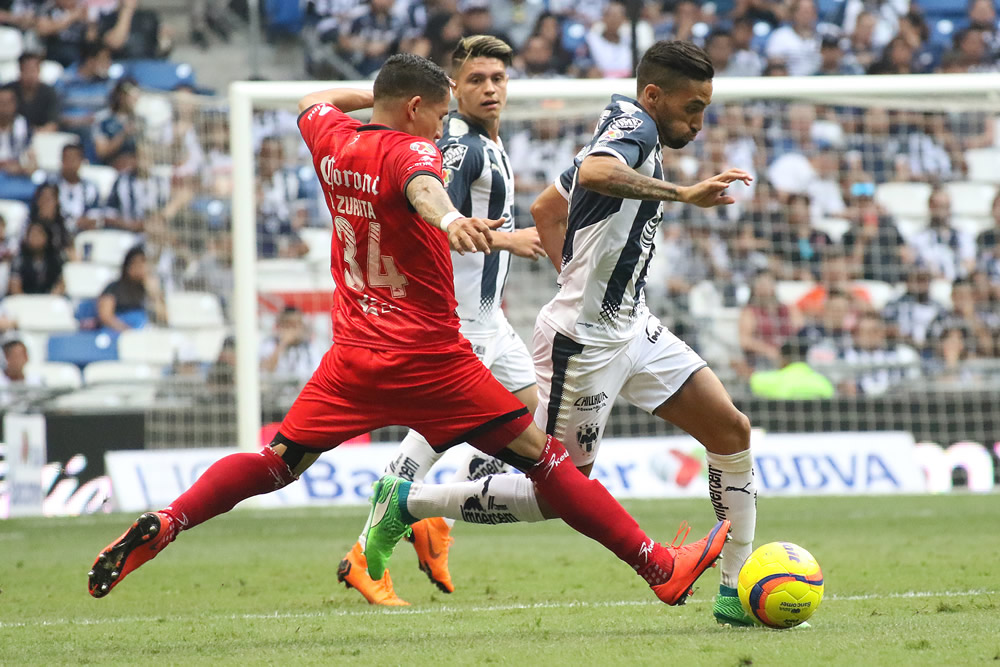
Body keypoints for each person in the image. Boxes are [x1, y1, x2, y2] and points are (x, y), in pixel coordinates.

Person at [87, 53, 730, 607]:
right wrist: (450, 218)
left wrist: (378, 96)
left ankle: (172, 519)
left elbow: (313, 99)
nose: (445, 122)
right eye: (440, 110)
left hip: (352, 358)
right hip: (429, 360)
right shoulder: (416, 150)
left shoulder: (330, 137)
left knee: (276, 463)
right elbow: (425, 188)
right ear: (418, 109)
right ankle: (659, 567)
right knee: (549, 460)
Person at [389, 41, 757, 628]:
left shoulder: (622, 125)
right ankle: (408, 502)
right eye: (693, 106)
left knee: (731, 428)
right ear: (654, 95)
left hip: (632, 325)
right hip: (583, 344)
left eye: (706, 108)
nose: (698, 120)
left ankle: (735, 592)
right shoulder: (632, 128)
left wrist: (578, 277)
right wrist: (682, 195)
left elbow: (545, 207)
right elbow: (594, 172)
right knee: (558, 492)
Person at [336, 36, 546, 606]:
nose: (490, 89)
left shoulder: (488, 142)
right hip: (457, 320)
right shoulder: (456, 146)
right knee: (435, 432)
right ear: (453, 88)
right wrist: (511, 239)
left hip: (490, 321)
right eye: (476, 80)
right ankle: (366, 552)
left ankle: (434, 515)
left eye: (498, 78)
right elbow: (429, 214)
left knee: (529, 406)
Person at [96, 245, 164, 331]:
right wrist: (128, 332)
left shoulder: (147, 289)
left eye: (143, 263)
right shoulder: (113, 288)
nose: (140, 268)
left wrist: (154, 294)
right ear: (127, 266)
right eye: (136, 263)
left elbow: (164, 317)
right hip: (117, 333)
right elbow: (105, 316)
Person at [749, 337, 835, 399]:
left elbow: (753, 382)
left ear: (783, 359)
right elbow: (829, 394)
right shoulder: (823, 383)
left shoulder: (764, 380)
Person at [258, 306, 324, 383]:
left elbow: (317, 373)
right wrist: (282, 344)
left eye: (295, 325)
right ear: (279, 326)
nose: (291, 330)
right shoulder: (269, 344)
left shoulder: (309, 348)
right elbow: (267, 370)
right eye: (287, 325)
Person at [2, 53, 60, 132]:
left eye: (33, 70)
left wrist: (32, 133)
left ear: (39, 71)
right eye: (26, 70)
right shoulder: (8, 90)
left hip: (41, 135)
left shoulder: (49, 92)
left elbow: (52, 124)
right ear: (20, 70)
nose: (30, 75)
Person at [8, 221, 65, 296]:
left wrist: (51, 299)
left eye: (39, 234)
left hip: (49, 302)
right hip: (23, 302)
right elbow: (15, 287)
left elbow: (60, 284)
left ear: (47, 237)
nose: (35, 238)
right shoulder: (18, 260)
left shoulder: (56, 260)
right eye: (32, 235)